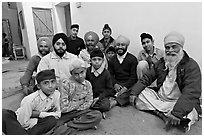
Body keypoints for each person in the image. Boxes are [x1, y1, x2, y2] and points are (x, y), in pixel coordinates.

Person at [130, 32, 201, 132]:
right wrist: (134, 92)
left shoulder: (191, 65)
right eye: (167, 47)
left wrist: (177, 112)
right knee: (140, 94)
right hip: (160, 97)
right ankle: (163, 115)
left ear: (181, 47)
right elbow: (147, 77)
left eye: (174, 47)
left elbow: (192, 91)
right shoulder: (162, 62)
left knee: (191, 112)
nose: (170, 50)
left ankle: (167, 113)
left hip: (176, 102)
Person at [2, 69, 61, 135]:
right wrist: (36, 119)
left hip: (38, 119)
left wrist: (39, 114)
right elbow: (22, 123)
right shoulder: (30, 100)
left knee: (52, 120)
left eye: (53, 82)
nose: (50, 86)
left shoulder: (56, 94)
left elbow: (58, 114)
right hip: (21, 120)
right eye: (46, 83)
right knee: (4, 115)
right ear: (38, 86)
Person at [56, 58, 102, 132]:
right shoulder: (65, 84)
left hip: (81, 112)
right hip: (67, 114)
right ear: (71, 73)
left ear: (86, 71)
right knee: (55, 125)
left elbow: (89, 102)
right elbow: (64, 108)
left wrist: (77, 107)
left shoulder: (87, 84)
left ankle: (70, 125)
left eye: (82, 72)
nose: (80, 76)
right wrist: (80, 102)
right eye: (76, 74)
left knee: (97, 115)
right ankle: (79, 124)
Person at [108, 35, 138, 107]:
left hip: (128, 84)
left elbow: (133, 77)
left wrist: (125, 88)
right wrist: (115, 84)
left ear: (127, 46)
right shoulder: (112, 60)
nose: (120, 47)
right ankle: (116, 97)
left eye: (123, 45)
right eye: (118, 45)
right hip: (117, 83)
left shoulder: (132, 59)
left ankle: (115, 101)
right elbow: (110, 74)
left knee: (133, 91)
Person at [86, 48, 115, 113]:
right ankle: (94, 109)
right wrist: (90, 97)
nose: (96, 62)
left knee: (105, 106)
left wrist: (99, 97)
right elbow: (86, 85)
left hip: (102, 96)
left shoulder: (106, 73)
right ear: (90, 60)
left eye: (99, 59)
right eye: (94, 59)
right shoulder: (87, 71)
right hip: (90, 95)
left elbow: (109, 89)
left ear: (102, 61)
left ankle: (92, 108)